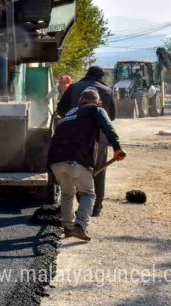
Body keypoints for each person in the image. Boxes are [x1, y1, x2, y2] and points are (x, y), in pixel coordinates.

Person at [48, 88, 126, 241]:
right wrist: (117, 147)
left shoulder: (68, 114)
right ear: (98, 101)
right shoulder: (96, 110)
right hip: (77, 159)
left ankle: (68, 228)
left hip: (55, 160)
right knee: (88, 194)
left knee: (67, 193)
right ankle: (80, 226)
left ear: (80, 101)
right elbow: (108, 127)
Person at [57, 65, 116, 217]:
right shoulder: (108, 91)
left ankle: (73, 207)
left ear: (87, 74)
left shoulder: (74, 87)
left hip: (73, 136)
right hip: (99, 138)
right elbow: (112, 117)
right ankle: (95, 208)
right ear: (101, 77)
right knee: (99, 170)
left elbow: (61, 110)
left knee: (75, 170)